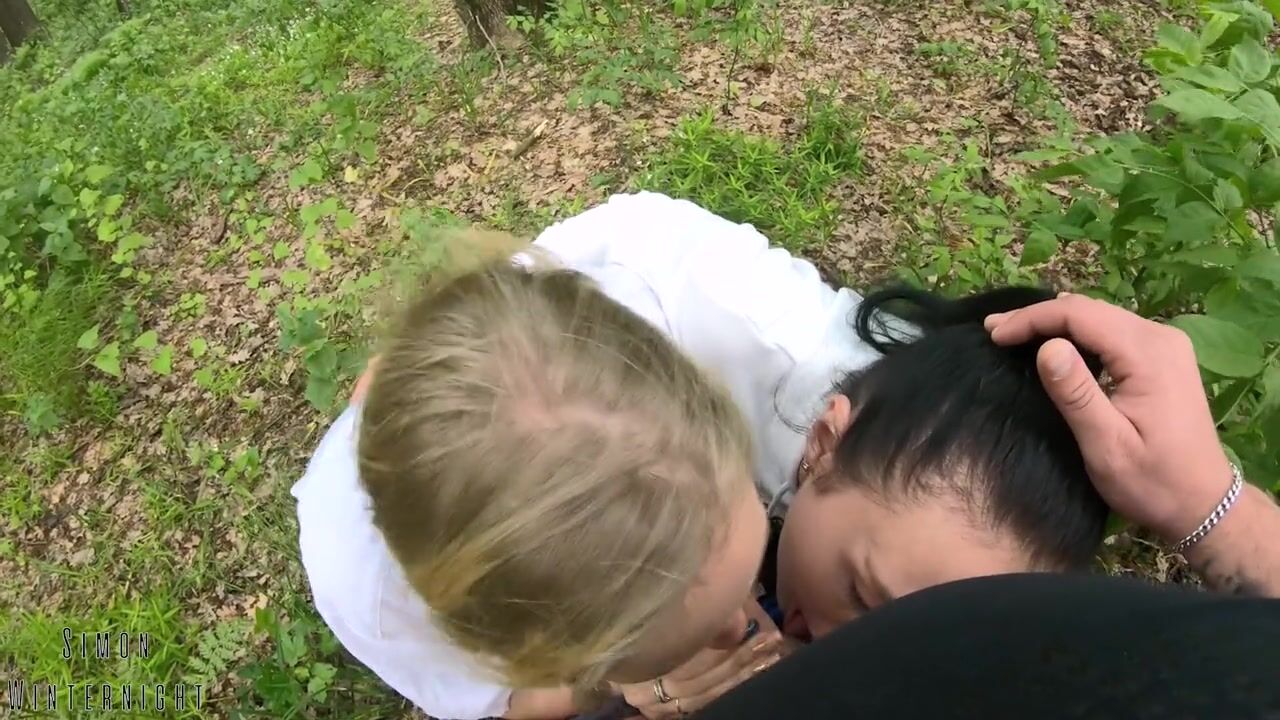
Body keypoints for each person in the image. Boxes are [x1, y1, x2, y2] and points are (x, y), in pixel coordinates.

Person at [291, 193, 1116, 720]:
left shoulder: (690, 345)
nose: (865, 652)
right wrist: (632, 684)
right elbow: (524, 699)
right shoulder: (378, 596)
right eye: (865, 596)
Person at [698, 295, 1280, 720]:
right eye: (860, 594)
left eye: (920, 654)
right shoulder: (706, 321)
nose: (841, 654)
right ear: (824, 444)